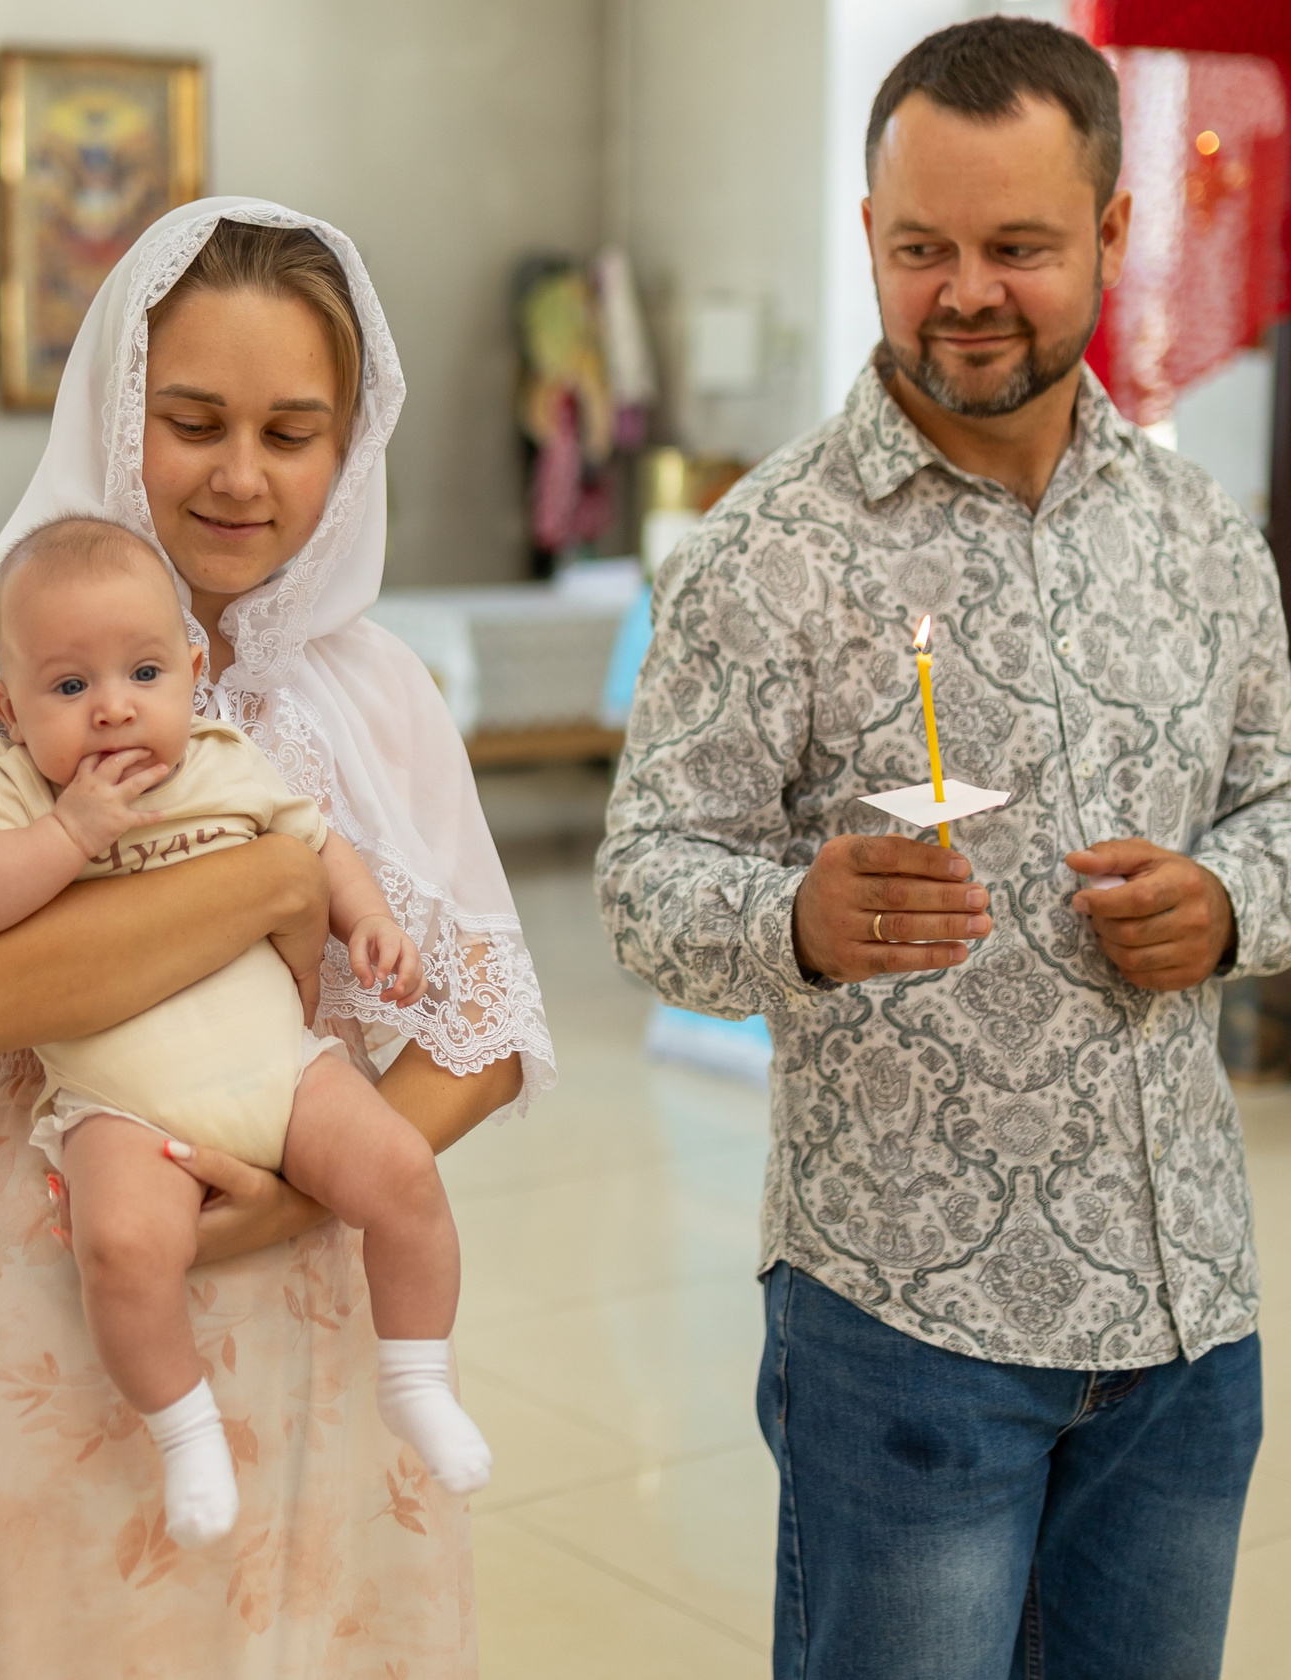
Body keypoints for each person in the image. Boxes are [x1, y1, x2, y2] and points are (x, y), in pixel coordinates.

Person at [0, 201, 552, 1674]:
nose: (242, 475)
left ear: (348, 445)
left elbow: (487, 1035)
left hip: (312, 1282)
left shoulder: (379, 694)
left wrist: (308, 1192)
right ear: (121, 412)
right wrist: (257, 889)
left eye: (292, 431)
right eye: (192, 421)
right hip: (56, 1260)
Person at [598, 18, 1284, 1679]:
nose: (964, 290)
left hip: (1185, 1313)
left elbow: (1279, 800)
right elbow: (645, 887)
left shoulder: (1202, 538)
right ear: (870, 240)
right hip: (907, 1332)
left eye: (1018, 247)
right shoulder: (771, 554)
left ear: (1114, 236)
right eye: (923, 248)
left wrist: (1235, 901)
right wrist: (801, 923)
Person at [0, 517, 491, 1545]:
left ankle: (417, 1374)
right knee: (122, 1247)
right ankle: (185, 1432)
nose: (112, 710)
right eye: (67, 687)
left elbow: (319, 850)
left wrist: (372, 927)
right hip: (123, 1109)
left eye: (143, 672)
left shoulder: (225, 760)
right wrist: (67, 834)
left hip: (281, 1072)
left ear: (191, 673)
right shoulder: (12, 789)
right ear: (6, 707)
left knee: (401, 1173)